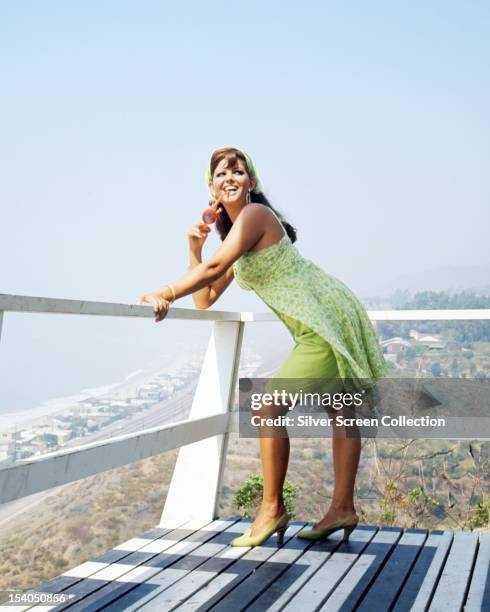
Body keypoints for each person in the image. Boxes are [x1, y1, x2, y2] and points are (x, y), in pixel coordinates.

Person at [137, 146, 388, 547]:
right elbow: (206, 296)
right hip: (323, 316)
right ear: (212, 188)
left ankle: (272, 508)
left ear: (251, 183)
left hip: (321, 321)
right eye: (221, 173)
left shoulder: (255, 216)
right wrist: (193, 248)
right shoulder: (238, 238)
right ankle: (342, 507)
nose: (230, 177)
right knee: (341, 409)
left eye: (238, 171)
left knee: (267, 406)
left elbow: (214, 271)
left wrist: (163, 292)